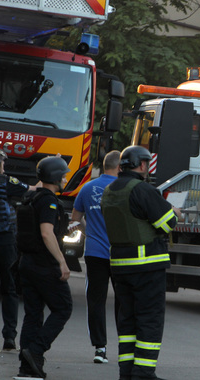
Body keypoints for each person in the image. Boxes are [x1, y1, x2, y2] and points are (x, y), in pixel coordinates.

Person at [101, 145, 182, 380]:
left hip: (119, 266)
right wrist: (174, 211)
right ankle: (144, 374)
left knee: (127, 323)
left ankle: (127, 373)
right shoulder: (143, 189)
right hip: (147, 266)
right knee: (149, 320)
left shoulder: (109, 190)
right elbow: (167, 224)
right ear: (143, 165)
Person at [16, 156, 73, 378]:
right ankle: (36, 350)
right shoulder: (48, 201)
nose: (66, 178)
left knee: (33, 315)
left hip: (27, 263)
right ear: (55, 177)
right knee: (63, 308)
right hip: (44, 265)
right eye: (64, 175)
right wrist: (61, 262)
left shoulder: (31, 197)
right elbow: (46, 233)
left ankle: (27, 367)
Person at [71, 150, 121, 364]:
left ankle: (100, 349)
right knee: (124, 301)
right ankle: (127, 348)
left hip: (95, 252)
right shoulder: (124, 189)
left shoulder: (88, 188)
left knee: (96, 301)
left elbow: (74, 220)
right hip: (121, 254)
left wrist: (89, 230)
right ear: (120, 167)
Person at [0, 147, 33, 354]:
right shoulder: (7, 182)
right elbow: (33, 189)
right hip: (6, 243)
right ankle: (9, 337)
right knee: (10, 290)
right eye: (3, 164)